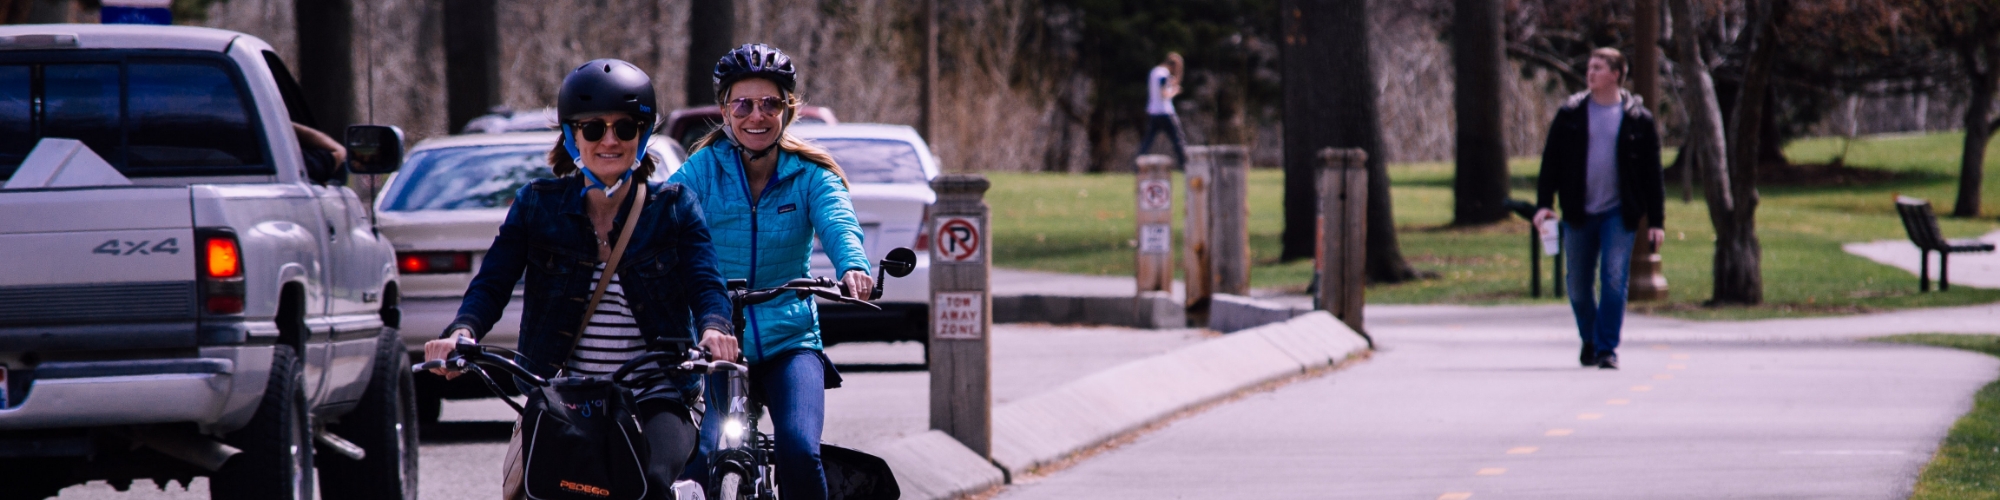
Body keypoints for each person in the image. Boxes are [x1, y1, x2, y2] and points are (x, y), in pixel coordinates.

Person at [421, 58, 738, 495]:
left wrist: (714, 328)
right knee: (546, 488)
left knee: (651, 482)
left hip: (656, 393)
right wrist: (461, 332)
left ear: (642, 136)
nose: (610, 140)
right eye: (593, 129)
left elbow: (707, 283)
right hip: (562, 399)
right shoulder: (537, 205)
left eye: (625, 128)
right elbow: (491, 283)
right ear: (572, 137)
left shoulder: (674, 207)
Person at [672, 43, 872, 500]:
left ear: (789, 109)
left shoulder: (810, 175)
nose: (756, 116)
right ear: (725, 109)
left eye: (770, 104)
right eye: (743, 104)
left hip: (790, 340)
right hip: (717, 342)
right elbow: (662, 219)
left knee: (799, 450)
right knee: (702, 455)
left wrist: (853, 267)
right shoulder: (702, 170)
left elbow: (839, 223)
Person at [1533, 47, 1666, 370]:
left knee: (1613, 277)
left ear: (1616, 74)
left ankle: (1607, 348)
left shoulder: (1638, 119)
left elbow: (1652, 174)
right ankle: (1590, 339)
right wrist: (1543, 205)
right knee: (1577, 286)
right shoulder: (1571, 114)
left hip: (1618, 214)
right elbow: (1551, 162)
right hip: (1579, 211)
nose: (1590, 73)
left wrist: (1656, 221)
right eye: (1589, 67)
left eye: (1598, 67)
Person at [1135, 52, 1187, 166]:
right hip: (1165, 111)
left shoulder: (1154, 72)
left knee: (1147, 141)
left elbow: (1172, 83)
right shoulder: (1164, 74)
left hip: (1153, 111)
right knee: (1178, 140)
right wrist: (1175, 92)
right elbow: (1164, 93)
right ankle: (1185, 164)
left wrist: (1177, 74)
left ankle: (1137, 164)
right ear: (1172, 66)